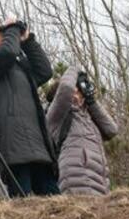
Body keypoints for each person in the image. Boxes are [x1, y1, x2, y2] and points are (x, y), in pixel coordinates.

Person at [0, 17, 58, 197]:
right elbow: (6, 54)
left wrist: (28, 41)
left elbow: (44, 71)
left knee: (54, 200)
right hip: (11, 142)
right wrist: (13, 29)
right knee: (22, 201)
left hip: (36, 138)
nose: (5, 33)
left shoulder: (17, 64)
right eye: (0, 30)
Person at [46, 67, 118, 195]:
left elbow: (111, 130)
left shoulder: (87, 117)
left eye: (79, 90)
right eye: (77, 89)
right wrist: (75, 70)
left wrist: (92, 102)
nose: (79, 92)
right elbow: (66, 89)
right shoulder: (57, 115)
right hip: (76, 179)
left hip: (100, 181)